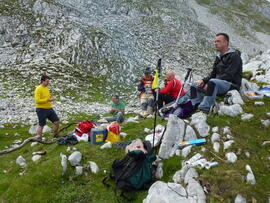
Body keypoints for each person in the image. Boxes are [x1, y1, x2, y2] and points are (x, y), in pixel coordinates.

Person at [190, 33, 243, 113]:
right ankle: (196, 106)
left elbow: (229, 75)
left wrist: (210, 83)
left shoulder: (234, 56)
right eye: (215, 42)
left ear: (225, 43)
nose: (215, 43)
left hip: (231, 84)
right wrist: (204, 81)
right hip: (217, 83)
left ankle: (204, 108)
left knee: (212, 82)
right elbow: (213, 74)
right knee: (194, 85)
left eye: (218, 41)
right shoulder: (219, 57)